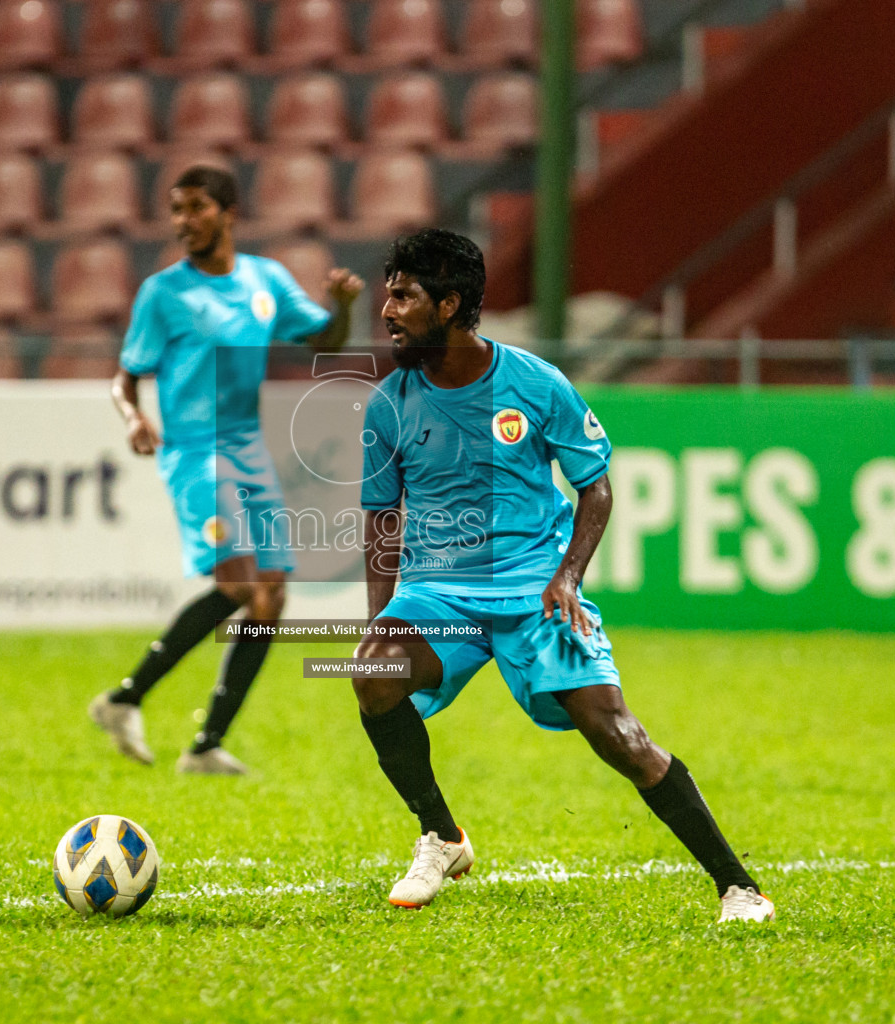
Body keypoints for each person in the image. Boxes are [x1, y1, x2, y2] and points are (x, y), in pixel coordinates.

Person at [351, 228, 773, 921]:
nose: (388, 311)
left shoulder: (534, 383)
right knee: (371, 672)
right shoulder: (389, 403)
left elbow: (595, 488)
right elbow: (381, 519)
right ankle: (440, 835)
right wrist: (382, 618)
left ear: (450, 304)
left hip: (533, 589)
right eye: (387, 295)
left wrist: (568, 577)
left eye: (403, 296)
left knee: (620, 738)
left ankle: (739, 886)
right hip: (440, 592)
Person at [90, 165, 365, 774]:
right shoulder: (164, 293)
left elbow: (326, 342)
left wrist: (341, 308)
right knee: (240, 583)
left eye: (195, 208)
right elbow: (125, 374)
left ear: (228, 213)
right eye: (176, 209)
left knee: (270, 599)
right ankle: (126, 699)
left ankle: (204, 744)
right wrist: (133, 418)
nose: (183, 221)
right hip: (195, 452)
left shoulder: (266, 280)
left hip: (247, 448)